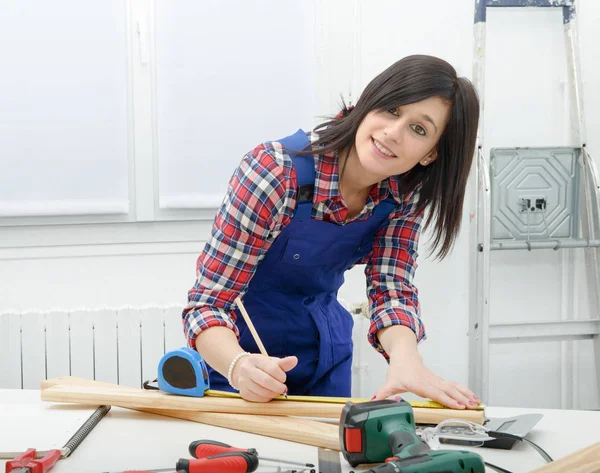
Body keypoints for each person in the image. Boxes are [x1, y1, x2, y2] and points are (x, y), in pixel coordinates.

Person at [182, 54, 481, 409]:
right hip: (238, 363)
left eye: (419, 129)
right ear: (368, 104)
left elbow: (392, 287)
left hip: (326, 359)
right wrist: (238, 365)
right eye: (391, 110)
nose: (392, 134)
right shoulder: (274, 172)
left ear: (431, 154)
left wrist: (406, 360)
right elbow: (208, 303)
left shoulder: (403, 195)